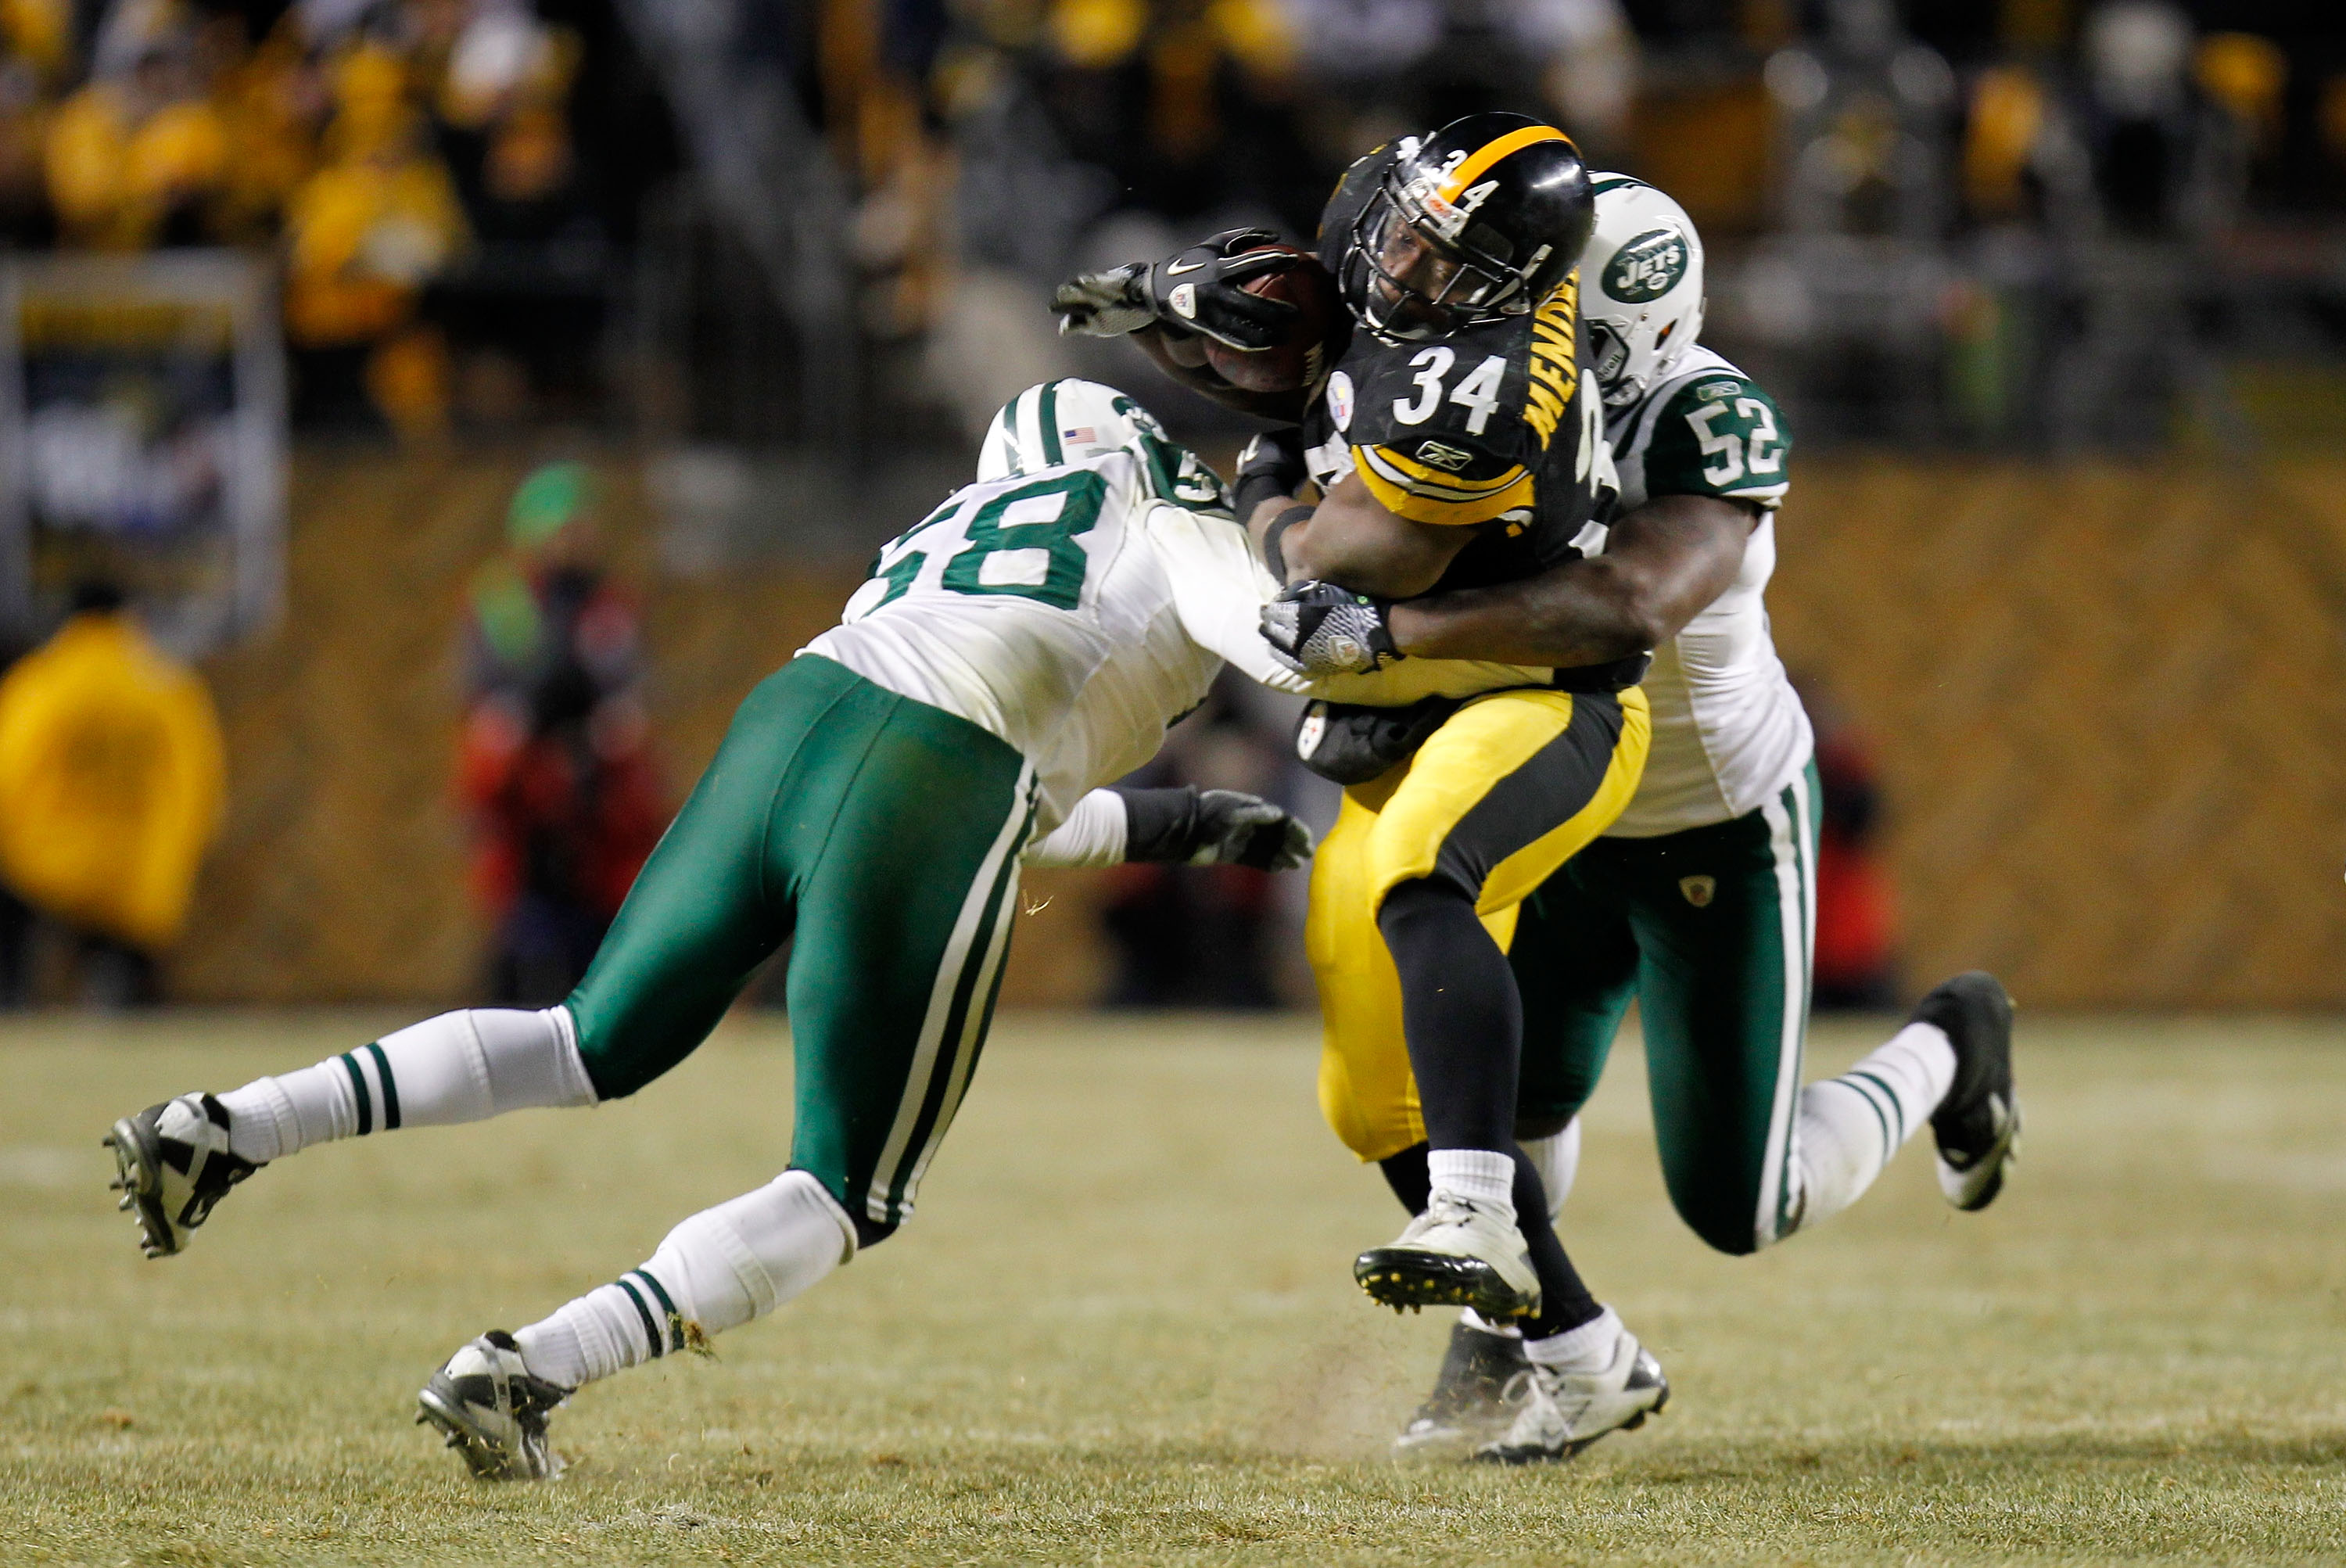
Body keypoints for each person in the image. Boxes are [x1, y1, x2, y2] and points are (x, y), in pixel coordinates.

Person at [102, 381, 1331, 1482]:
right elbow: (1285, 651)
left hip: (799, 708)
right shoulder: (1182, 528)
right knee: (845, 1188)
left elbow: (990, 778)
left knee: (585, 1036)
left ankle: (225, 1127)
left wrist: (1178, 824)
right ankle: (527, 1367)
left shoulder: (947, 539)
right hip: (939, 772)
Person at [1259, 176, 2019, 1458]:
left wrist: (1388, 636)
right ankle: (1499, 1365)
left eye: (1534, 307)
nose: (1494, 329)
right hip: (1558, 791)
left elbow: (1625, 606)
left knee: (1744, 1201)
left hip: (1711, 817)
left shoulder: (1705, 416)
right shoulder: (1473, 385)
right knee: (1482, 1104)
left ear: (1606, 331)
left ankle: (1954, 1042)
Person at [1057, 112, 1663, 1463]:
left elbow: (1339, 559)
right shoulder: (1403, 235)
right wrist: (1186, 310)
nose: (1402, 264)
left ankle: (1473, 1212)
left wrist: (1262, 473)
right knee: (1370, 1098)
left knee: (1418, 875)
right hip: (1403, 716)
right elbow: (1315, 352)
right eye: (1405, 228)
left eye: (1444, 262)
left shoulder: (1486, 381)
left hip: (1534, 701)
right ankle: (1575, 1355)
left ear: (1508, 284)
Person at [458, 461, 665, 1003]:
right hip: (527, 778)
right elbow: (488, 696)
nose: (574, 541)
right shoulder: (502, 600)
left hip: (594, 778)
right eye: (562, 528)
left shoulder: (608, 604)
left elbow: (625, 688)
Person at [0, 579, 225, 1006]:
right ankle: (131, 1010)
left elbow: (9, 773)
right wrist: (174, 856)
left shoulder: (42, 682)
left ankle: (14, 1003)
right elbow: (199, 784)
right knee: (134, 955)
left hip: (51, 867)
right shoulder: (168, 688)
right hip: (136, 874)